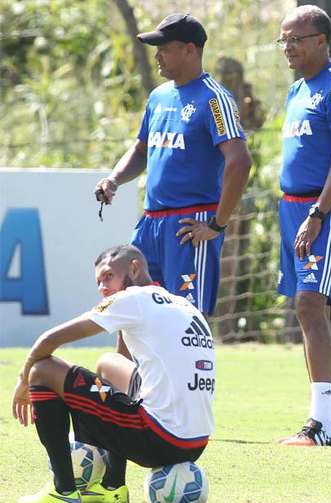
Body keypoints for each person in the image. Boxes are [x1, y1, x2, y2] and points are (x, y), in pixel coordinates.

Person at [12, 245, 215, 503]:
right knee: (108, 364)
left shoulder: (132, 300)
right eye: (98, 282)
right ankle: (112, 487)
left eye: (108, 276)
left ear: (134, 268)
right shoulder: (181, 303)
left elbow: (49, 340)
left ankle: (62, 489)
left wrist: (23, 380)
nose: (102, 287)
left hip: (158, 438)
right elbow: (120, 374)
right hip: (195, 442)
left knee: (43, 370)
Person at [94, 13, 252, 316]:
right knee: (129, 308)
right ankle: (126, 367)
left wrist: (217, 224)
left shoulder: (215, 99)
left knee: (186, 317)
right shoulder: (158, 97)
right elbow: (142, 150)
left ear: (190, 50)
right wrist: (114, 179)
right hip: (150, 223)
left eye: (164, 48)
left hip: (189, 226)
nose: (157, 56)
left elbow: (240, 160)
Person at [275, 5, 331, 446]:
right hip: (292, 206)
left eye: (296, 38)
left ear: (320, 40)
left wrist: (318, 213)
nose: (288, 47)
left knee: (310, 304)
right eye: (284, 39)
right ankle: (319, 416)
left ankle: (324, 424)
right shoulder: (298, 90)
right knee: (306, 308)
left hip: (326, 207)